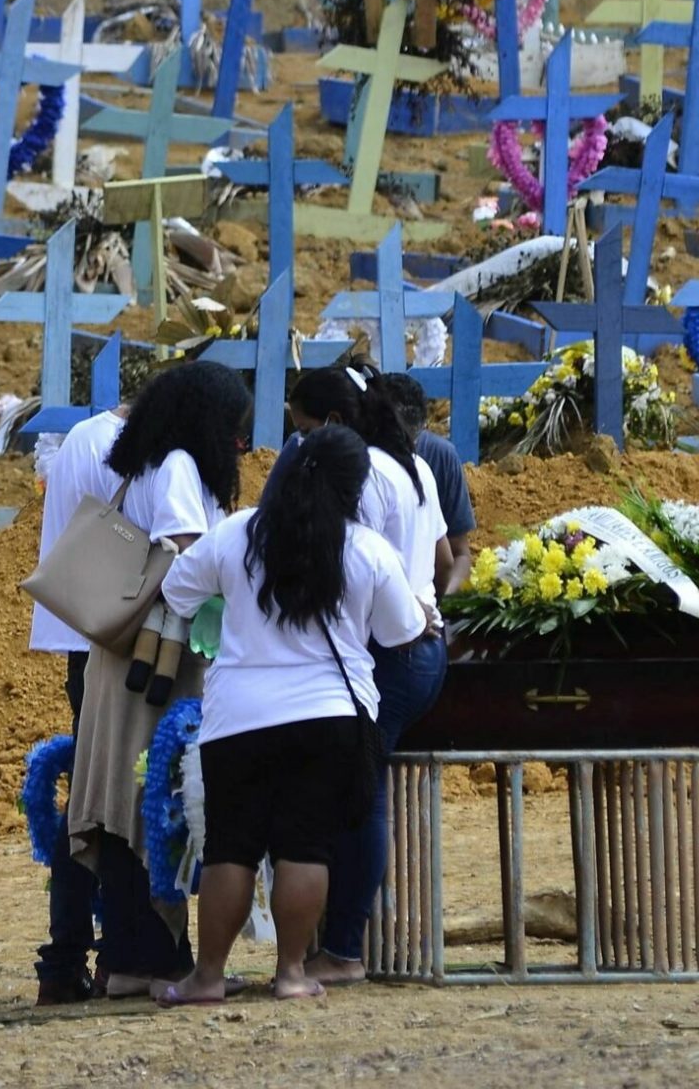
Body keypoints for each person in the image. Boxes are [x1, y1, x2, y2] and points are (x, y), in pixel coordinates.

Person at [154, 424, 424, 1003]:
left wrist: (236, 596)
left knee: (231, 846)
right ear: (355, 488)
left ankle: (206, 977)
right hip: (330, 716)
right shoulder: (366, 547)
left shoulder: (236, 533)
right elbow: (402, 630)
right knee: (306, 846)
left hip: (238, 716)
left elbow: (177, 592)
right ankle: (292, 972)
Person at [64, 360, 250, 998]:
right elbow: (188, 560)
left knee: (128, 804)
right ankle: (152, 957)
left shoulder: (145, 462)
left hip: (123, 658)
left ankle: (126, 957)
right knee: (151, 806)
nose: (238, 442)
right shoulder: (177, 467)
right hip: (156, 666)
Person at [282, 368, 453, 986]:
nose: (300, 446)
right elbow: (438, 558)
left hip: (390, 651)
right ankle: (341, 940)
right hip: (423, 644)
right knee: (359, 792)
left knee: (361, 799)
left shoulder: (361, 475)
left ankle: (345, 948)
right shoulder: (414, 466)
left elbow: (355, 570)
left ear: (335, 423)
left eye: (304, 432)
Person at [28, 397, 129, 1006]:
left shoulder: (83, 439)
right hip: (111, 641)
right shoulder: (123, 450)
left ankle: (66, 956)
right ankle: (103, 955)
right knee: (106, 804)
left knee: (88, 801)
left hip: (81, 636)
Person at [369, 371, 476, 594]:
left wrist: (445, 602)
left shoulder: (437, 459)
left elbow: (459, 555)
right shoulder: (363, 464)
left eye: (410, 440)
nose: (401, 451)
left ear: (424, 426)